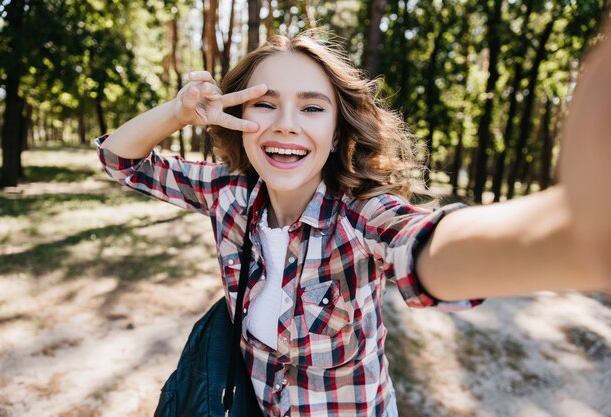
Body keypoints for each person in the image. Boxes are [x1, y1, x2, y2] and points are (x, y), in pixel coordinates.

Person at [95, 22, 611, 417]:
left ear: (339, 129)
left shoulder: (360, 216)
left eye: (312, 108)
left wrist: (576, 234)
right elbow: (120, 161)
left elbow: (426, 244)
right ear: (237, 117)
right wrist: (179, 112)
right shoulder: (230, 194)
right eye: (265, 104)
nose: (286, 126)